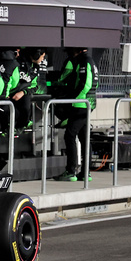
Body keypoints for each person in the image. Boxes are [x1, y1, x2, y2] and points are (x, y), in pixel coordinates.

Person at [50, 45, 96, 182]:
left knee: (70, 135)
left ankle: (71, 171)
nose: (70, 54)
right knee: (83, 138)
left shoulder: (85, 62)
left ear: (78, 50)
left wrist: (73, 99)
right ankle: (85, 172)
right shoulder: (87, 61)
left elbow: (86, 84)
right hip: (85, 104)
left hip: (81, 104)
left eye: (71, 51)